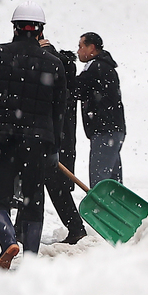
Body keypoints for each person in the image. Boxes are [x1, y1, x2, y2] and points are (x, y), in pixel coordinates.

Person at [0, 3, 66, 268]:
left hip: (1, 139)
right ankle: (31, 259)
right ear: (40, 31)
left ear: (14, 28)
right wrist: (54, 144)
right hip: (37, 142)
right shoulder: (54, 64)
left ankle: (9, 240)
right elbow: (60, 109)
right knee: (33, 200)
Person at [42, 36, 88, 244]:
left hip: (55, 141)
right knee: (44, 185)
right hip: (56, 140)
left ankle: (76, 228)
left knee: (54, 185)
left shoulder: (55, 69)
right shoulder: (60, 68)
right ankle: (20, 230)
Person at [72, 32, 126, 186]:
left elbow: (77, 89)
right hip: (114, 130)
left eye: (81, 46)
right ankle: (117, 208)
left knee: (100, 181)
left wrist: (64, 68)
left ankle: (101, 209)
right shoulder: (105, 66)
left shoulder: (95, 67)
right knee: (113, 182)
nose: (78, 51)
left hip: (104, 130)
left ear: (92, 48)